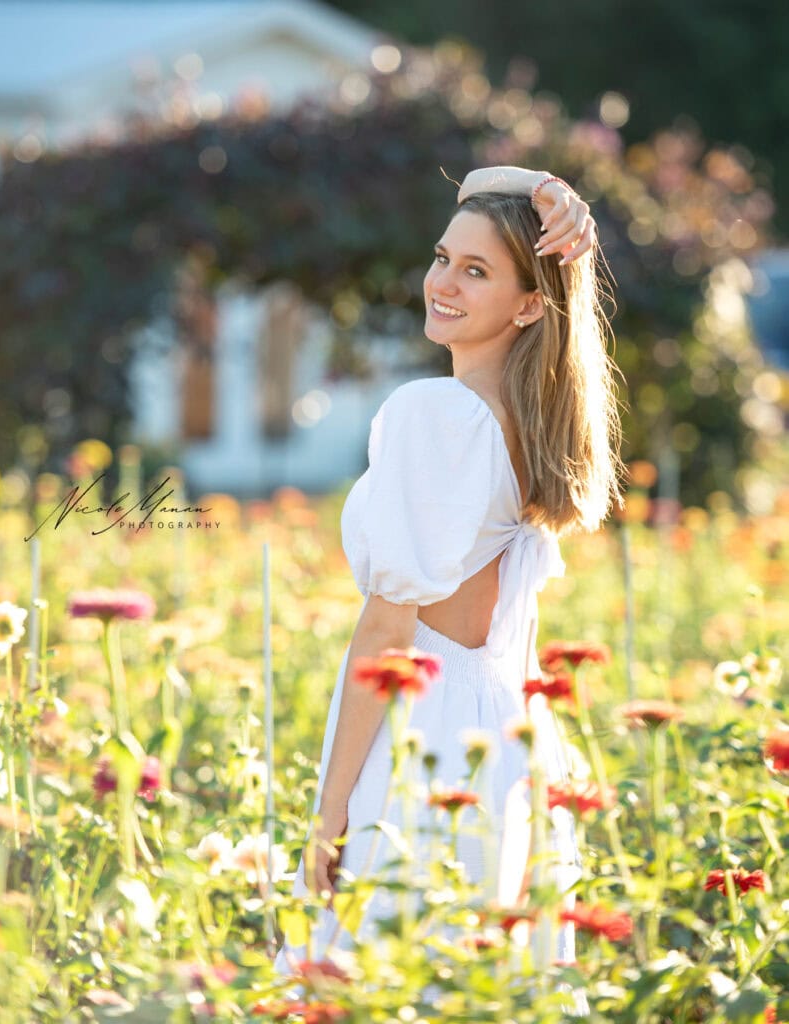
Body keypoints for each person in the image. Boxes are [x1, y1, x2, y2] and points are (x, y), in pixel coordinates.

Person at [273, 166, 625, 1012]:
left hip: (422, 736)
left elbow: (387, 632)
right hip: (504, 744)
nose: (442, 281)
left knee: (373, 980)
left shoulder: (438, 414)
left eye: (476, 271)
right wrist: (549, 189)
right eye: (442, 256)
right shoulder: (528, 422)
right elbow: (479, 179)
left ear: (529, 304)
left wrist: (327, 819)